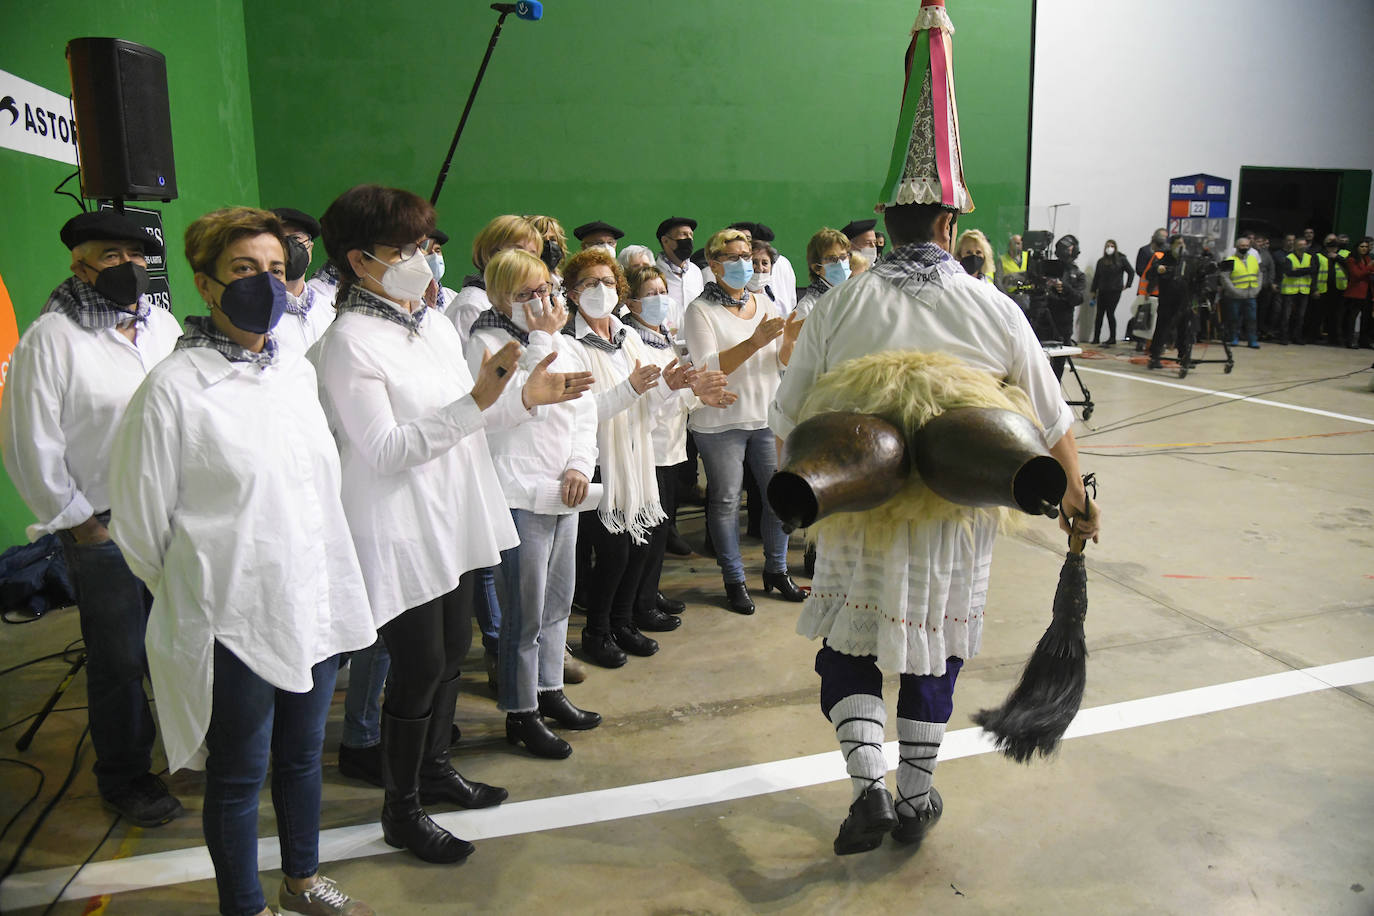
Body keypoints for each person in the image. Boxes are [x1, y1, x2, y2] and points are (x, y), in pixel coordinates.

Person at [772, 199, 1097, 858]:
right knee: (935, 648)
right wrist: (1075, 498)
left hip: (858, 501)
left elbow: (788, 420)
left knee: (849, 649)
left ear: (885, 225)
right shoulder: (991, 305)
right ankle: (916, 797)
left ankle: (869, 789)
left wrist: (811, 496)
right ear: (949, 226)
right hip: (956, 509)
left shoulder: (840, 303)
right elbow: (1052, 417)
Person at [108, 206, 377, 916]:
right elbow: (138, 529)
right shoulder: (172, 390)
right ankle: (246, 905)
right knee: (238, 775)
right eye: (243, 270)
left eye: (277, 270)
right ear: (204, 284)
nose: (266, 284)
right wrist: (208, 587)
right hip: (234, 619)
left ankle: (301, 881)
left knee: (300, 758)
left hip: (312, 602)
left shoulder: (290, 369)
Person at [311, 184, 589, 863]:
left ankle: (434, 771)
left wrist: (522, 396)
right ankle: (401, 810)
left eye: (424, 245)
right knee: (419, 667)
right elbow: (385, 449)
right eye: (403, 248)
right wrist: (482, 400)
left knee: (445, 662)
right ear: (358, 259)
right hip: (399, 525)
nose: (422, 258)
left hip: (456, 515)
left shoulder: (430, 323)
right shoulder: (350, 341)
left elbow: (473, 422)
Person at [0, 211, 184, 828]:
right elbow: (30, 446)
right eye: (112, 255)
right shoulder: (52, 338)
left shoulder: (158, 325)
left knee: (180, 641)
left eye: (137, 255)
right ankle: (125, 774)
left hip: (173, 517)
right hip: (103, 529)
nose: (130, 266)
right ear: (78, 264)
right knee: (120, 658)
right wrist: (83, 526)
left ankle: (187, 748)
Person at [466, 249, 600, 758]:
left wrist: (579, 467)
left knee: (558, 603)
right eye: (526, 294)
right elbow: (496, 413)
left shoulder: (568, 346)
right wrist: (541, 339)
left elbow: (583, 415)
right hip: (517, 493)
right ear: (502, 297)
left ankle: (549, 691)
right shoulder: (486, 342)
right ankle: (520, 711)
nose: (540, 301)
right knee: (523, 613)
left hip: (563, 491)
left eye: (544, 289)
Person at [685, 228, 805, 615]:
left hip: (765, 415)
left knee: (777, 498)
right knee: (725, 500)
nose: (744, 264)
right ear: (715, 264)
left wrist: (790, 342)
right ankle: (734, 579)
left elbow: (779, 362)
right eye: (735, 258)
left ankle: (776, 569)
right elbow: (707, 369)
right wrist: (754, 342)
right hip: (720, 421)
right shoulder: (699, 309)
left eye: (748, 256)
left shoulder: (764, 303)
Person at [622, 264, 735, 628]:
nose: (659, 299)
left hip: (670, 447)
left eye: (661, 291)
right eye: (650, 294)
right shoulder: (631, 340)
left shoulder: (663, 336)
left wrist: (700, 395)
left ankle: (649, 591)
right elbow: (649, 395)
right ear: (632, 303)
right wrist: (688, 392)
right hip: (648, 449)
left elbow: (677, 390)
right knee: (646, 536)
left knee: (660, 530)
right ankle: (639, 603)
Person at [443, 214, 542, 350]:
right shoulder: (470, 305)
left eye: (533, 254)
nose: (526, 260)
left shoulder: (525, 304)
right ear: (490, 253)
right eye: (518, 250)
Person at [269, 207, 334, 355]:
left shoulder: (328, 308)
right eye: (279, 240)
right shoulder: (259, 317)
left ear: (310, 248)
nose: (288, 247)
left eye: (296, 239)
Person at [1146, 234, 1195, 369]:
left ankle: (1183, 356)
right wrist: (1158, 269)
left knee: (1184, 330)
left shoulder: (1187, 259)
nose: (1181, 246)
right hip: (1167, 300)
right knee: (1162, 328)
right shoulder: (1164, 257)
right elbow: (1149, 272)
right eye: (1178, 243)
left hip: (1184, 300)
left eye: (1183, 243)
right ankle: (1155, 357)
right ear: (1172, 245)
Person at [654, 216, 702, 337]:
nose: (689, 239)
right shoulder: (654, 273)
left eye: (691, 235)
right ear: (665, 241)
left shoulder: (696, 272)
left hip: (696, 342)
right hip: (665, 342)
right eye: (683, 235)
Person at [795, 228, 851, 319]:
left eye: (843, 257)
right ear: (816, 268)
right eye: (832, 259)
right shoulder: (807, 308)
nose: (840, 263)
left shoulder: (855, 295)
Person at [1218, 235, 1261, 348]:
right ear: (1237, 247)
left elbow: (1259, 274)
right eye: (1242, 245)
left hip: (1251, 294)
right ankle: (1234, 338)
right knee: (1234, 318)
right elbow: (1224, 277)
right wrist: (1233, 290)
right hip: (1234, 296)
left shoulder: (1253, 258)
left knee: (1252, 319)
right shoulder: (1229, 260)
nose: (1244, 247)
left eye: (1247, 245)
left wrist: (1257, 289)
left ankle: (1252, 340)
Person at [1089, 239, 1133, 345]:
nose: (1110, 248)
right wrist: (1093, 291)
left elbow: (1131, 272)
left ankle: (1112, 337)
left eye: (1112, 246)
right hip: (1102, 290)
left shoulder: (1121, 260)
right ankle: (1096, 338)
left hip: (1114, 291)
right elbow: (1096, 277)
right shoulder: (1101, 261)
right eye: (1108, 246)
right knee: (1099, 315)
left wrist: (1127, 285)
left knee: (1110, 314)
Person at [1277, 236, 1316, 345]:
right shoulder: (1289, 257)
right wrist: (1305, 270)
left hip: (1303, 291)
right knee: (1286, 315)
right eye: (1300, 245)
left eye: (1305, 245)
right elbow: (1289, 272)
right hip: (1289, 291)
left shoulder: (1309, 257)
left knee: (1300, 316)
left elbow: (1313, 270)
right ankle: (1283, 337)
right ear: (1295, 246)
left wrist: (1298, 270)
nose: (1303, 247)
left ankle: (1297, 337)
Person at [1312, 234, 1347, 345]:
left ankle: (1334, 338)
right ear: (1326, 247)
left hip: (1338, 290)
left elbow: (1350, 266)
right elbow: (1314, 273)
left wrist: (1337, 258)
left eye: (1335, 247)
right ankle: (1313, 336)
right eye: (1330, 247)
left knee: (1336, 315)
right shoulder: (1319, 256)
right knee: (1318, 315)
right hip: (1323, 289)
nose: (1333, 249)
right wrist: (1314, 289)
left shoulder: (1344, 255)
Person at [1342, 237, 1374, 349]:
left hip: (1368, 292)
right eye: (1362, 247)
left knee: (1366, 317)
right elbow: (1356, 274)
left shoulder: (1368, 259)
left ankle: (1363, 340)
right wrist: (1369, 268)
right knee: (1352, 317)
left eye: (1366, 247)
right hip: (1355, 292)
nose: (1364, 249)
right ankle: (1349, 340)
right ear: (1357, 248)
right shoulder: (1352, 259)